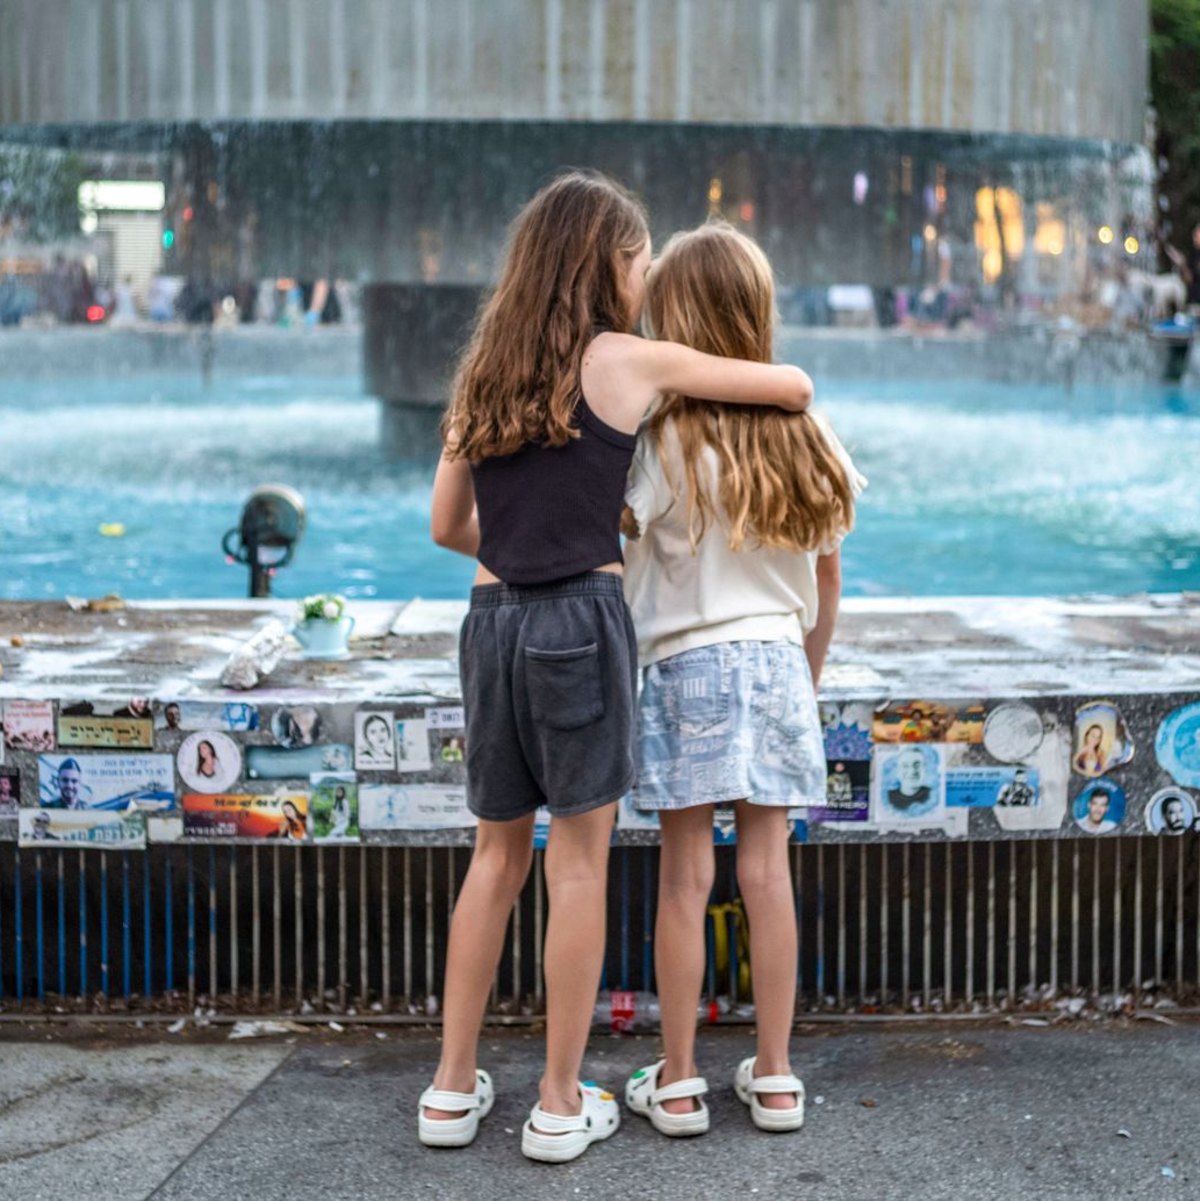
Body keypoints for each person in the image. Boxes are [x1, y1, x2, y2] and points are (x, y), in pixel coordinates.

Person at [422, 172, 813, 1163]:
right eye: (638, 259)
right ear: (607, 259)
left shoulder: (482, 371)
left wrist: (518, 529)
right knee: (578, 864)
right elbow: (789, 387)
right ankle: (559, 1099)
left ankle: (449, 1086)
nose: (643, 276)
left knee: (494, 859)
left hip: (489, 620)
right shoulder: (628, 360)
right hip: (577, 622)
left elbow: (446, 527)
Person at [620, 222, 861, 1139]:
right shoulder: (807, 431)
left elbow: (619, 543)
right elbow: (827, 578)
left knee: (685, 878)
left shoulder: (662, 438)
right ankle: (776, 1074)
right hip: (777, 662)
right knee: (767, 873)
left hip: (685, 666)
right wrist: (806, 672)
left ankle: (678, 1081)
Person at [887, 747, 932, 812]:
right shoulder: (887, 798)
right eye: (905, 766)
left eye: (917, 765)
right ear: (897, 771)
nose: (912, 771)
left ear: (925, 769)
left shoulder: (933, 795)